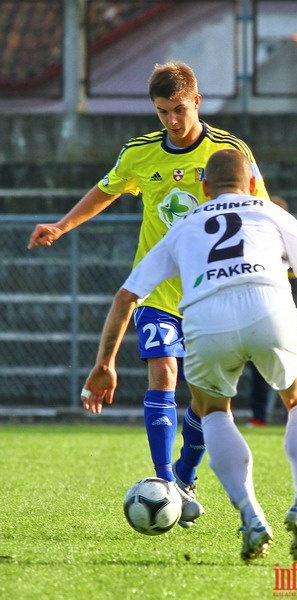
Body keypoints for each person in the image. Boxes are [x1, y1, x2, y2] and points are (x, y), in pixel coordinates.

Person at [79, 149, 297, 563]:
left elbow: (127, 295)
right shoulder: (274, 214)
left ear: (204, 188)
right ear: (253, 182)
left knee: (213, 410)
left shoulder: (184, 226)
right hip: (267, 307)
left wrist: (104, 364)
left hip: (206, 317)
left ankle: (252, 516)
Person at [27, 62, 270, 527]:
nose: (172, 121)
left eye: (179, 110)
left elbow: (257, 207)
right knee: (162, 373)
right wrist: (62, 224)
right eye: (163, 112)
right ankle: (167, 483)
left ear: (196, 102)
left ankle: (185, 475)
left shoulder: (230, 152)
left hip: (211, 294)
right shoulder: (140, 153)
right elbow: (106, 191)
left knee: (208, 399)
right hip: (158, 293)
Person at [247, 195, 295, 427]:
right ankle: (260, 416)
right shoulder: (252, 236)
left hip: (282, 309)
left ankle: (293, 413)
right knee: (259, 367)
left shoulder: (289, 238)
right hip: (253, 307)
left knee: (289, 364)